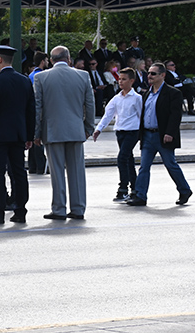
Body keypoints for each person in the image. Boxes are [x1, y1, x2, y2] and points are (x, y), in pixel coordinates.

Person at [33, 46, 94, 220]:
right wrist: (88, 127)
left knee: (57, 171)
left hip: (52, 130)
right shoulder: (83, 76)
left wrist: (36, 133)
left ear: (51, 60)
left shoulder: (41, 77)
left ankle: (59, 208)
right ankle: (78, 208)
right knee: (77, 171)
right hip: (76, 129)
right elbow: (89, 104)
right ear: (69, 58)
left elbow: (38, 108)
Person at [0, 45, 35, 224]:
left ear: (0, 60)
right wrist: (29, 135)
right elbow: (30, 110)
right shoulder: (24, 80)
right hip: (18, 133)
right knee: (18, 172)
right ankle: (20, 210)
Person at [127, 63, 192, 207]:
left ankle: (184, 190)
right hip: (148, 136)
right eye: (149, 73)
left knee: (170, 165)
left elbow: (175, 116)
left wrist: (169, 133)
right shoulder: (146, 93)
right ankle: (140, 196)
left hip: (162, 135)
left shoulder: (173, 93)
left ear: (162, 75)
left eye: (153, 73)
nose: (149, 76)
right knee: (144, 167)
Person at [92, 67, 142, 201]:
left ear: (132, 81)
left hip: (133, 131)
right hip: (120, 131)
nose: (121, 82)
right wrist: (99, 129)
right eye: (119, 79)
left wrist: (142, 133)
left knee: (122, 157)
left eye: (124, 79)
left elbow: (141, 115)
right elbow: (108, 115)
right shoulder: (116, 98)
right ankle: (135, 187)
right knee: (128, 159)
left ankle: (123, 188)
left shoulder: (137, 98)